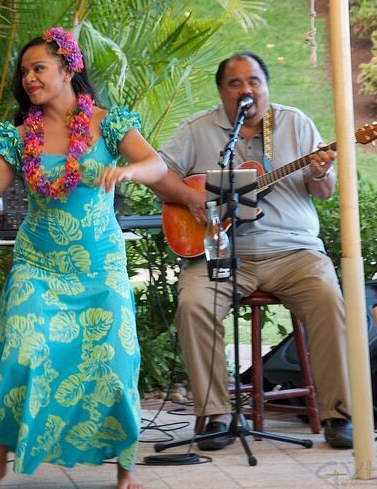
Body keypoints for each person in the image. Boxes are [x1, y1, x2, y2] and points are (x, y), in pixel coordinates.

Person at [0, 27, 166, 489]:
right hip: (39, 265)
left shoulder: (108, 124)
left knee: (114, 361)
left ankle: (126, 472)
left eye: (38, 68)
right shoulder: (18, 138)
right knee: (20, 352)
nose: (29, 78)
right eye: (24, 71)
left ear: (68, 68)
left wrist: (129, 169)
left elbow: (157, 166)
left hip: (100, 265)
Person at [148, 52, 353, 450]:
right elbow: (157, 173)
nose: (247, 90)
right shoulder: (198, 129)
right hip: (221, 250)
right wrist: (191, 201)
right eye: (236, 83)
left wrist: (319, 172)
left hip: (293, 252)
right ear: (223, 92)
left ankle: (339, 413)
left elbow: (324, 192)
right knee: (194, 303)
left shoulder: (294, 122)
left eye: (254, 81)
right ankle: (215, 414)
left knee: (329, 296)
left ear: (266, 86)